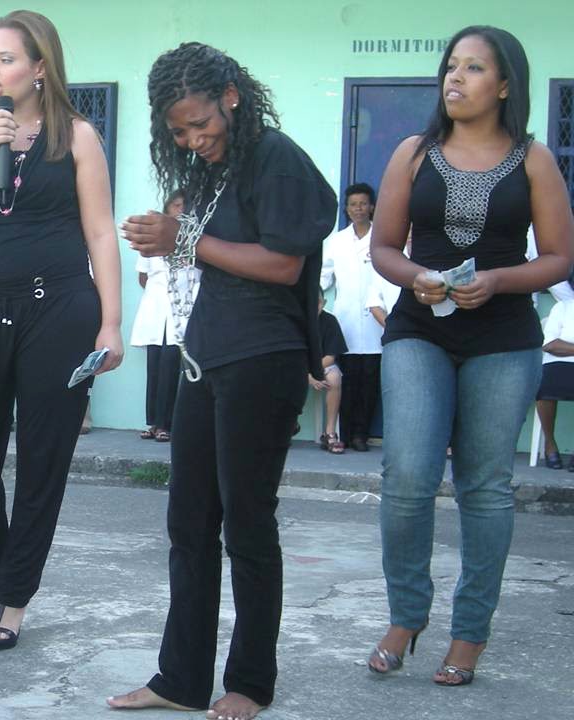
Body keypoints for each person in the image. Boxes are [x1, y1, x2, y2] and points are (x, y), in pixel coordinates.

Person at [108, 42, 336, 719]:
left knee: (247, 524)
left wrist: (181, 238)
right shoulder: (210, 171)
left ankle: (250, 683)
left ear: (231, 97)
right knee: (188, 524)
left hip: (263, 360)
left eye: (200, 123)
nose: (192, 139)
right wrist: (170, 236)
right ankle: (180, 679)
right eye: (178, 131)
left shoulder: (275, 157)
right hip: (206, 359)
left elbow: (283, 264)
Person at [369, 26, 574, 686]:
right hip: (419, 330)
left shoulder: (534, 160)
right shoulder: (413, 153)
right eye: (451, 66)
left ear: (505, 85)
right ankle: (407, 615)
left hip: (504, 339)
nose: (455, 78)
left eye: (474, 68)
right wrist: (416, 277)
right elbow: (384, 248)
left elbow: (559, 258)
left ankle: (469, 632)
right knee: (407, 475)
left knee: (485, 486)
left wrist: (499, 280)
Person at [0, 9, 123, 650]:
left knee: (42, 461)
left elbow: (100, 232)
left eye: (6, 59)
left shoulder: (77, 136)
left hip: (58, 311)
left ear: (39, 67)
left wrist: (111, 322)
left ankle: (12, 596)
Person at [130, 189, 198, 443]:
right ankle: (153, 422)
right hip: (156, 307)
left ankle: (166, 424)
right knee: (154, 366)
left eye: (184, 205)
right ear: (167, 208)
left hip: (181, 309)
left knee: (172, 364)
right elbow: (143, 276)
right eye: (175, 205)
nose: (180, 210)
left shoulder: (195, 237)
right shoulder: (153, 238)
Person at [321, 182, 382, 451]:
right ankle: (344, 433)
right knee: (348, 380)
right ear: (346, 209)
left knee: (370, 382)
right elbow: (323, 277)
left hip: (376, 321)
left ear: (372, 207)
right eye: (353, 204)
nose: (358, 209)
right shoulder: (337, 242)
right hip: (346, 320)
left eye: (363, 204)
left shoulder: (383, 238)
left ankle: (361, 435)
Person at [534, 279, 574, 469]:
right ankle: (550, 444)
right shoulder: (563, 307)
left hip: (564, 356)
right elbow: (550, 344)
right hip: (558, 362)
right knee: (545, 386)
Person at [311, 292, 348, 453]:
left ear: (324, 302)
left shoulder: (330, 321)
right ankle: (289, 425)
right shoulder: (296, 321)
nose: (315, 306)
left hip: (321, 365)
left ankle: (330, 432)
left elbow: (330, 357)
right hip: (299, 366)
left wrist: (314, 372)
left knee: (334, 378)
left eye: (318, 302)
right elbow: (293, 356)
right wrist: (308, 376)